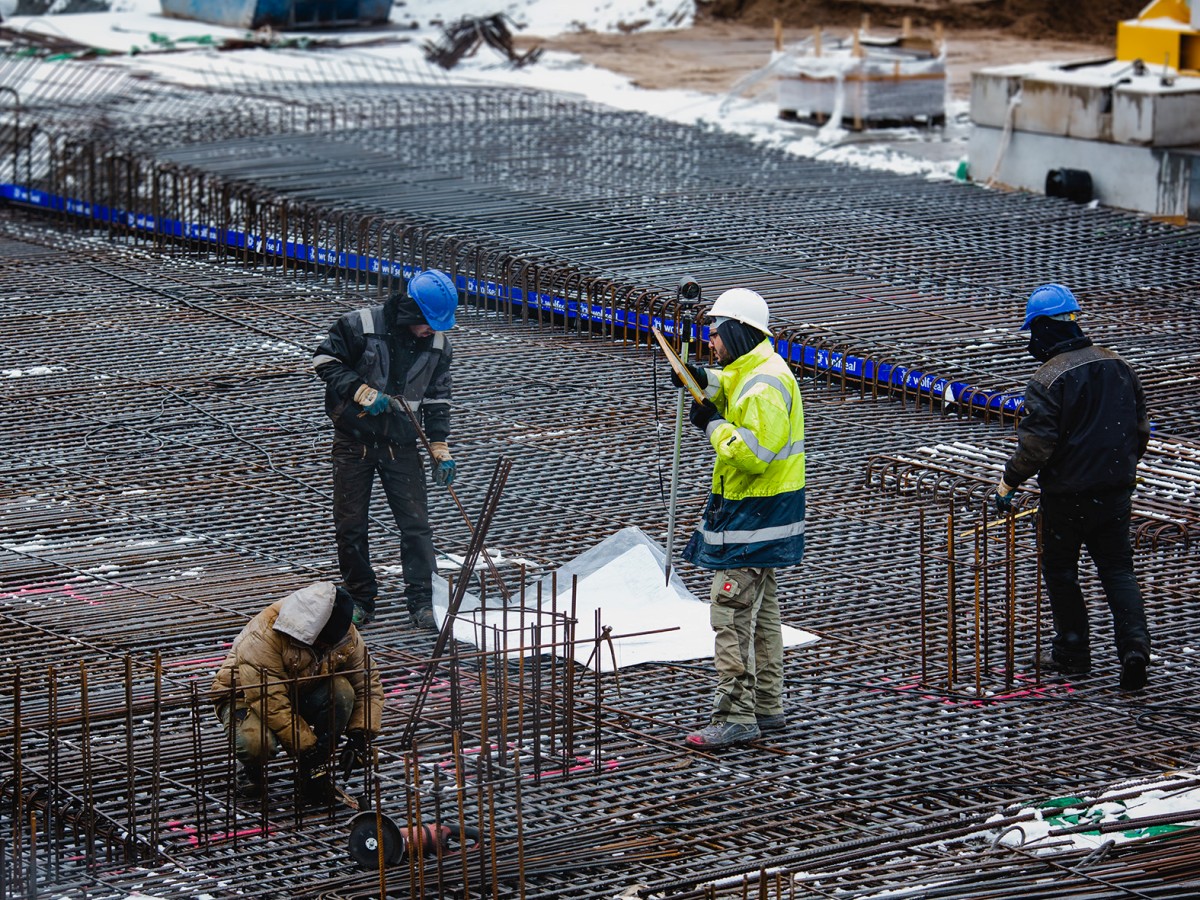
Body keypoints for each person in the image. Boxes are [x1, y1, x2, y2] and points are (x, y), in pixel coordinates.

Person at [996, 283, 1152, 691]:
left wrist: (1007, 483)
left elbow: (1037, 446)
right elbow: (1140, 429)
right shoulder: (1118, 365)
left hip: (1066, 497)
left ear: (1045, 329)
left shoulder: (1048, 378)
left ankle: (1072, 652)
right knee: (1118, 569)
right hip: (1114, 492)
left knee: (1061, 570)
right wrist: (1119, 470)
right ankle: (1134, 648)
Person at [674, 287, 807, 749]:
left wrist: (711, 424)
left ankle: (735, 715)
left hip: (753, 516)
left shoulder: (765, 385)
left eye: (716, 330)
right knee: (763, 613)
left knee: (729, 612)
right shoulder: (756, 368)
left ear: (737, 329)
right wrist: (701, 379)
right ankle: (767, 706)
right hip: (765, 514)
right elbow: (731, 383)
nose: (710, 338)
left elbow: (754, 453)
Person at [313, 269, 459, 630]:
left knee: (416, 526)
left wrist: (438, 444)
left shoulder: (439, 346)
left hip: (402, 444)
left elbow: (438, 399)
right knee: (351, 526)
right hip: (354, 441)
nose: (432, 331)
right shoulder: (358, 325)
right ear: (411, 310)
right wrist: (359, 390)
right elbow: (324, 361)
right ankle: (361, 598)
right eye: (428, 322)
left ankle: (423, 601)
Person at [209, 581, 385, 805]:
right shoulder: (264, 636)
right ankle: (251, 769)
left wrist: (361, 736)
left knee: (342, 692)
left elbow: (368, 685)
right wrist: (306, 750)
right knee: (256, 743)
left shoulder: (345, 634)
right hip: (246, 697)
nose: (324, 648)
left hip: (299, 689)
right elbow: (270, 702)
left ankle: (314, 770)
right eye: (322, 643)